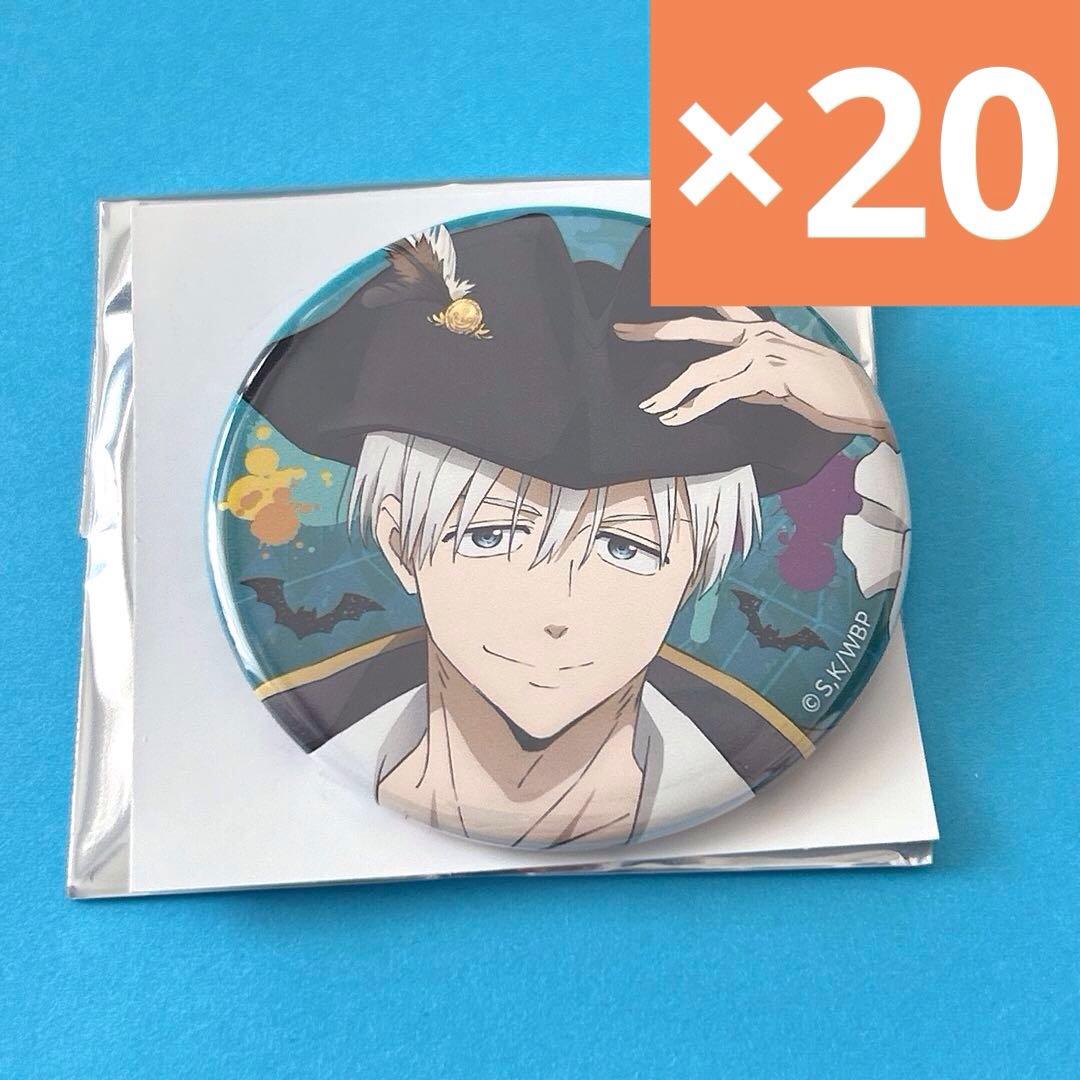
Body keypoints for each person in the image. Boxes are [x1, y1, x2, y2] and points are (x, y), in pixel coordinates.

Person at [243, 212, 905, 848]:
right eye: (489, 536)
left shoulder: (764, 744)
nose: (555, 611)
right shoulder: (299, 727)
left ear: (699, 564)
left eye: (626, 546)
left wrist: (864, 412)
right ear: (400, 544)